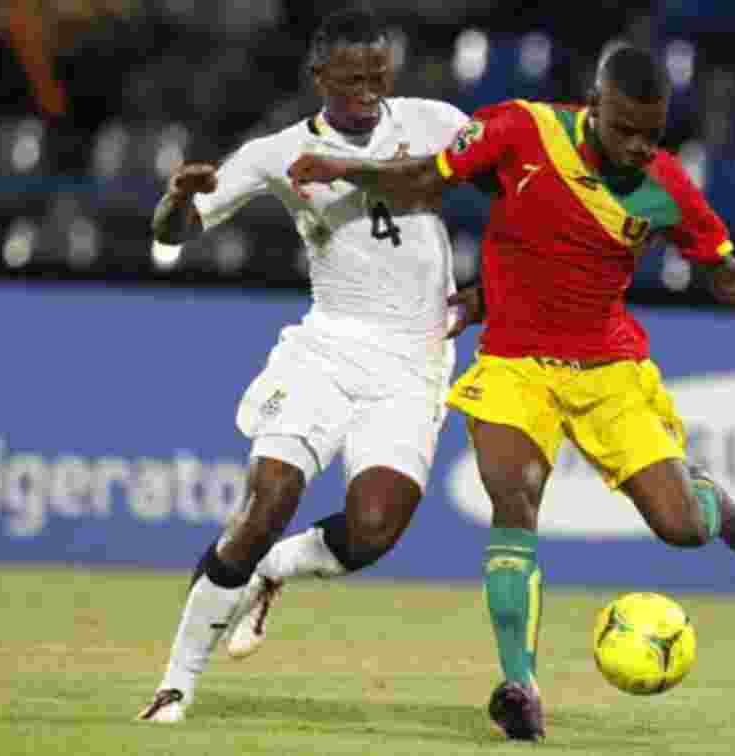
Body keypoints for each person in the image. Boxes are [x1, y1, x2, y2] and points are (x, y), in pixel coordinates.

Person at [283, 43, 735, 741]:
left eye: (651, 134)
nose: (636, 145)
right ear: (594, 106)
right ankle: (520, 685)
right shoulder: (521, 130)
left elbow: (727, 275)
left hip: (607, 370)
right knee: (515, 494)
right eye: (624, 127)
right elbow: (424, 179)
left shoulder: (666, 187)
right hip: (513, 361)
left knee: (679, 527)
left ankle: (713, 504)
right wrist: (346, 168)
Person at [136, 9, 482, 723]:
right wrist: (176, 200)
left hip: (415, 360)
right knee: (269, 499)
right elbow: (176, 236)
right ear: (319, 76)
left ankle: (272, 571)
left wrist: (490, 291)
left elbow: (518, 189)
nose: (366, 93)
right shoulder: (276, 152)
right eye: (351, 80)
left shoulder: (436, 120)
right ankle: (174, 683)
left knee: (375, 531)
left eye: (378, 78)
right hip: (327, 346)